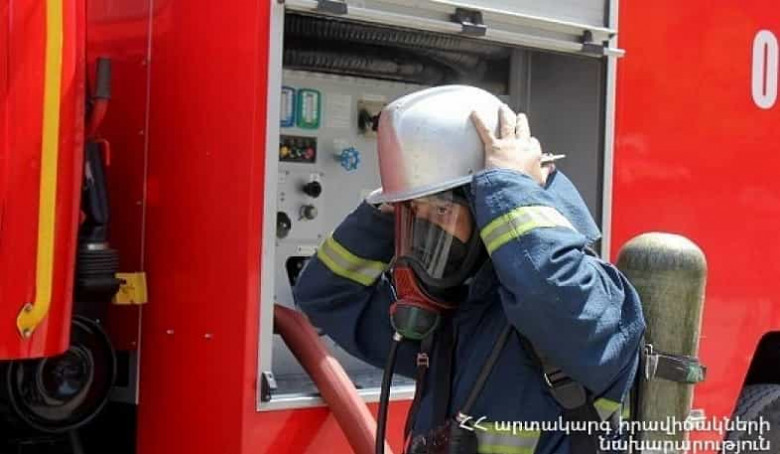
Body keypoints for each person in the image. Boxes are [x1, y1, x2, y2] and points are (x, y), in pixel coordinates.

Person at [294, 85, 646, 454]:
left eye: (441, 210)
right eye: (416, 215)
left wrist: (509, 186)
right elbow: (326, 294)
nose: (426, 233)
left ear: (487, 205)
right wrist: (390, 208)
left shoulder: (598, 304)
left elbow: (546, 287)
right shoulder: (453, 315)